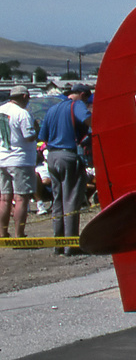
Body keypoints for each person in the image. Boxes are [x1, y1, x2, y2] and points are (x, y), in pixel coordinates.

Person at [37, 83, 92, 253]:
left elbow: (42, 136)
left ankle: (58, 243)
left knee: (58, 200)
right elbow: (90, 121)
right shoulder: (77, 106)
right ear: (82, 94)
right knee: (72, 199)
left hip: (52, 156)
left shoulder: (53, 109)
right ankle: (71, 245)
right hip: (68, 154)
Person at [0, 86, 38, 239]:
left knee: (4, 198)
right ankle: (19, 233)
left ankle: (2, 232)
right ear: (24, 96)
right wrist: (36, 128)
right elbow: (29, 136)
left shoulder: (1, 110)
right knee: (21, 198)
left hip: (2, 157)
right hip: (20, 159)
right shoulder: (22, 114)